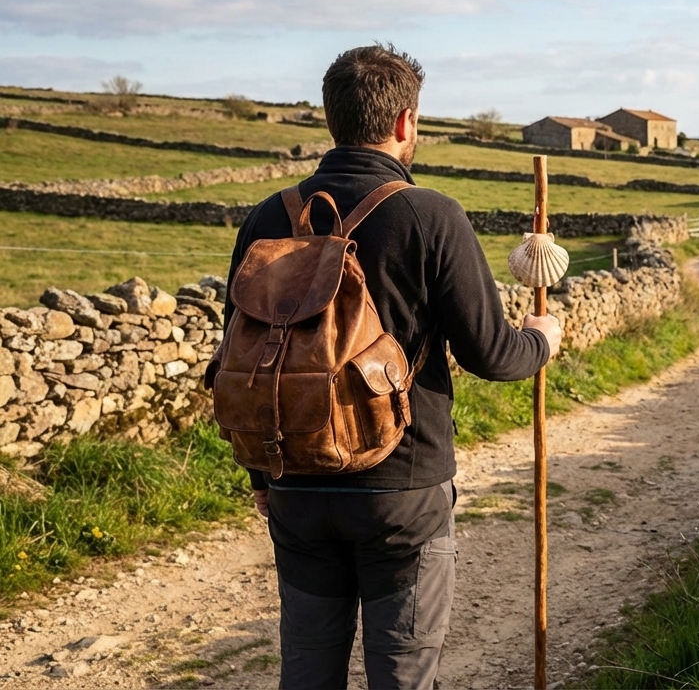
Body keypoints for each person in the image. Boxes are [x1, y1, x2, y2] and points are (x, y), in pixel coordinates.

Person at [223, 44, 563, 689]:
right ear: (406, 121)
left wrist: (261, 474)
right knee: (403, 671)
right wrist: (542, 338)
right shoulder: (429, 215)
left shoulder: (267, 217)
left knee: (307, 667)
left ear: (331, 118)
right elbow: (492, 355)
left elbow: (244, 362)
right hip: (401, 490)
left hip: (293, 479)